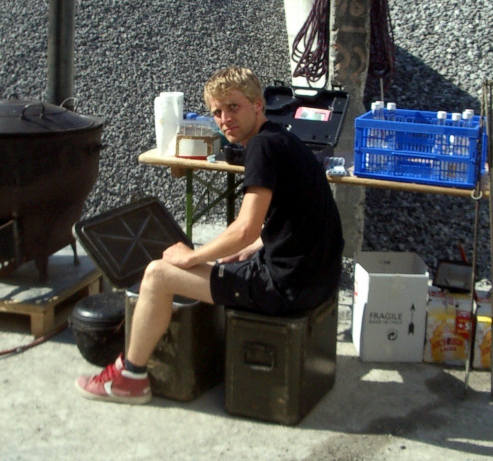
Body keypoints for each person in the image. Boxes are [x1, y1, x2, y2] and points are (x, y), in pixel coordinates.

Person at [76, 66, 344, 403]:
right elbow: (293, 218)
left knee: (157, 274)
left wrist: (193, 256)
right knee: (221, 257)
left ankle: (130, 378)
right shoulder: (285, 140)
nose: (224, 119)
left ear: (257, 105)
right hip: (318, 281)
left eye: (233, 107)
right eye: (217, 112)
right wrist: (255, 246)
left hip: (286, 289)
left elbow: (244, 228)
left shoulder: (261, 147)